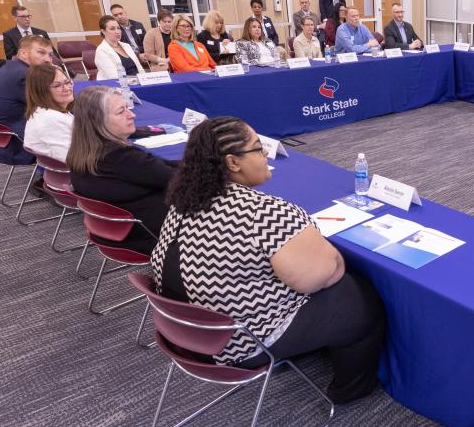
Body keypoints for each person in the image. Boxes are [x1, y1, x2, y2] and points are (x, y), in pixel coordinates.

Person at [151, 116, 384, 403]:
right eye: (258, 148)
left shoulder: (183, 201)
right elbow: (325, 275)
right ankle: (351, 390)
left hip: (190, 332)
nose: (265, 155)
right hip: (237, 344)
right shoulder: (265, 214)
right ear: (233, 163)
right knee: (357, 296)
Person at [67, 86, 177, 255]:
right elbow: (177, 179)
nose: (132, 115)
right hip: (150, 236)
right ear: (98, 121)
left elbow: (161, 167)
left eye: (128, 108)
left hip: (111, 230)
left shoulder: (81, 153)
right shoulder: (121, 157)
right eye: (121, 111)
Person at [0, 35, 53, 165]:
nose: (47, 59)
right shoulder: (26, 74)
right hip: (16, 139)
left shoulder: (9, 66)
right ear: (23, 53)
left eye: (50, 55)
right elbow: (49, 106)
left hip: (4, 132)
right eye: (41, 53)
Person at [2, 5, 74, 78]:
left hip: (46, 65)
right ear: (15, 18)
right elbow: (10, 56)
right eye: (23, 17)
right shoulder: (9, 35)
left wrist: (59, 64)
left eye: (28, 16)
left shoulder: (42, 32)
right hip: (25, 69)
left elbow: (52, 52)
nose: (27, 19)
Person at [23, 63, 74, 163]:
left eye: (67, 82)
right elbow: (71, 159)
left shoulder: (45, 111)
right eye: (57, 86)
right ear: (41, 91)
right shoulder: (52, 119)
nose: (67, 88)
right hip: (79, 174)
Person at [95, 15, 145, 80]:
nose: (117, 32)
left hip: (137, 82)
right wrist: (137, 81)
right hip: (117, 87)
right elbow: (114, 77)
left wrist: (145, 80)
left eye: (118, 28)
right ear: (103, 31)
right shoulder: (101, 51)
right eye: (112, 29)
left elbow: (140, 69)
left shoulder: (126, 46)